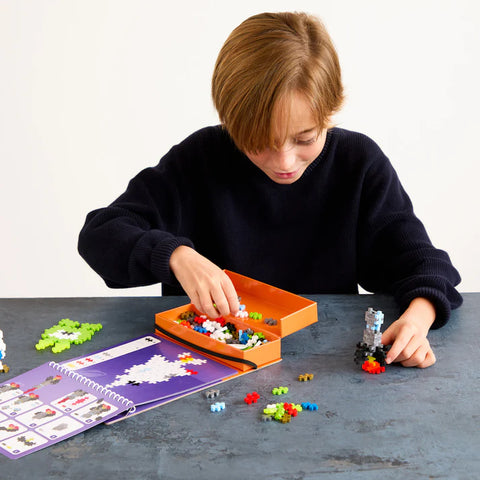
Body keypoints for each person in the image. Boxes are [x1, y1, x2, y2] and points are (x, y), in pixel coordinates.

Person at [78, 12, 462, 369]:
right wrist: (175, 254)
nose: (284, 161)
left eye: (304, 138)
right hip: (210, 366)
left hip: (326, 368)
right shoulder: (200, 160)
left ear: (330, 112)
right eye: (259, 142)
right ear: (230, 121)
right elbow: (101, 234)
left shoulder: (358, 164)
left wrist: (417, 318)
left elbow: (424, 263)